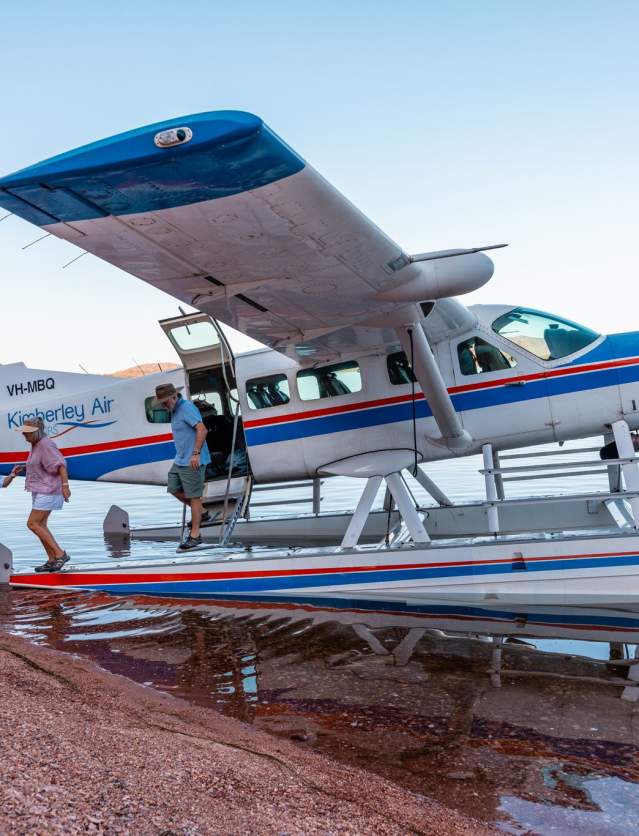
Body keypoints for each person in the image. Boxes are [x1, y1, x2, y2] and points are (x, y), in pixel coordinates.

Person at [152, 383, 211, 550]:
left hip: (192, 460)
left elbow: (202, 429)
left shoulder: (186, 408)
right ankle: (202, 512)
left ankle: (195, 535)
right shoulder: (174, 410)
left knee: (194, 497)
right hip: (180, 460)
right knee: (173, 488)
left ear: (174, 397)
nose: (163, 406)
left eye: (165, 402)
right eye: (161, 403)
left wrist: (196, 454)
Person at [15, 418, 71, 572]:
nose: (24, 435)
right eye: (24, 432)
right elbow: (42, 465)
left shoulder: (46, 444)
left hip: (50, 490)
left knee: (32, 523)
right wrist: (26, 468)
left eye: (27, 432)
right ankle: (52, 560)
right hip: (41, 489)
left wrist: (66, 486)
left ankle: (60, 554)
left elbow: (60, 464)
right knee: (41, 525)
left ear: (36, 432)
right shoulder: (36, 445)